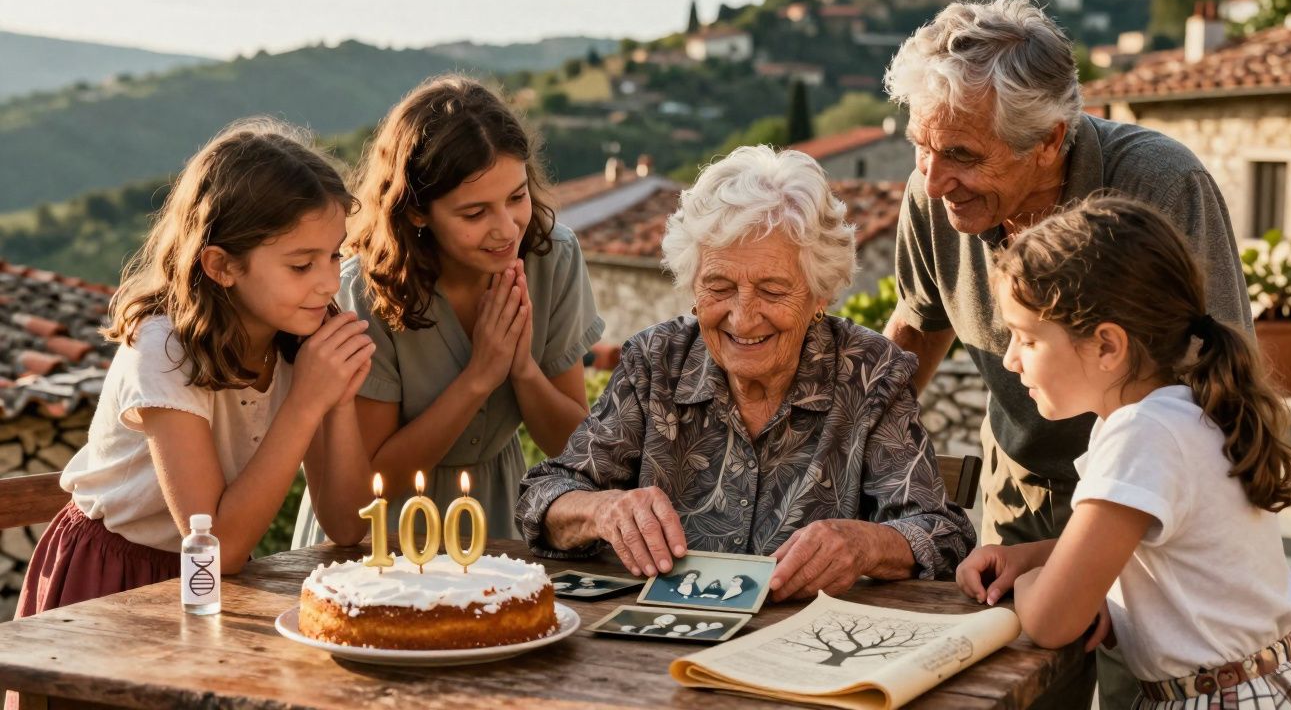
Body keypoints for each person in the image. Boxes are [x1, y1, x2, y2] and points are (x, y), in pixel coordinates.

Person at [881, 0, 1252, 707]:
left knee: (1145, 691)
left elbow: (1223, 383)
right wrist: (855, 452)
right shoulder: (933, 194)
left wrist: (1133, 558)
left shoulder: (1162, 185)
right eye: (920, 147)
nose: (932, 180)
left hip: (1153, 509)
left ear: (1051, 139)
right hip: (1023, 497)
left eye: (961, 155)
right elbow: (917, 322)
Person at [516, 146, 973, 600]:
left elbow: (941, 533)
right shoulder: (656, 362)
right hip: (659, 643)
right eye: (719, 286)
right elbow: (544, 493)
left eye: (773, 291)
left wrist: (868, 545)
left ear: (820, 295)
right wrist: (602, 510)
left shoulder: (868, 374)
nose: (743, 316)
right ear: (693, 286)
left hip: (806, 651)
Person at [956, 196, 1291, 708]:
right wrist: (1025, 555)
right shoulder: (1175, 415)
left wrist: (1035, 582)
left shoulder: (1142, 434)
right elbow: (1136, 548)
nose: (1010, 360)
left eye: (1027, 339)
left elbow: (1052, 619)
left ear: (1107, 346)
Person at [15, 119, 374, 620]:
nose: (327, 283)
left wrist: (335, 402)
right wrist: (308, 400)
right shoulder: (163, 348)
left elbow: (345, 523)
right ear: (222, 266)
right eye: (301, 265)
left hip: (215, 587)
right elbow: (216, 548)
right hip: (110, 580)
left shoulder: (302, 337)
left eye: (334, 256)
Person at [291, 75, 603, 544]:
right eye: (474, 214)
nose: (506, 230)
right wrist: (479, 377)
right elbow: (372, 482)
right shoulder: (364, 289)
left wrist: (522, 370)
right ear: (417, 212)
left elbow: (571, 448)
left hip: (490, 521)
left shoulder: (551, 258)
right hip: (379, 534)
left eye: (517, 198)